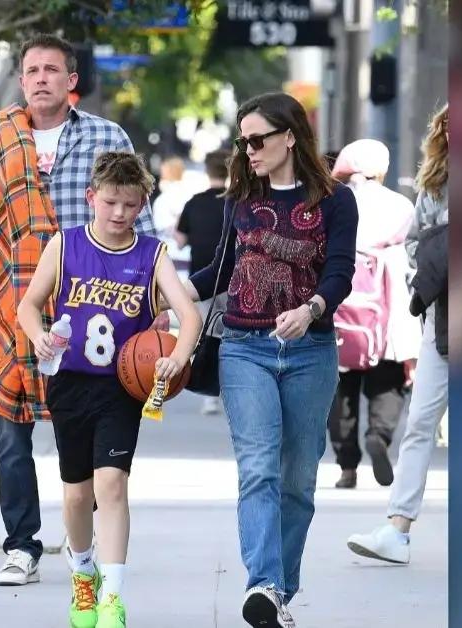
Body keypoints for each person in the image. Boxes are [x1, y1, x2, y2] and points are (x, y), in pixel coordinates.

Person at [0, 33, 156, 587]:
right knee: (10, 430)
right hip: (15, 304)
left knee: (84, 448)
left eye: (51, 70)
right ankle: (21, 546)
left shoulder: (107, 136)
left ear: (70, 79)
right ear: (21, 79)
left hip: (92, 312)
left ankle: (90, 546)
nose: (39, 78)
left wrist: (154, 316)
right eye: (31, 69)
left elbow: (140, 225)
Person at [183, 92, 358, 628]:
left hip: (310, 352)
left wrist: (312, 309)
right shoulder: (241, 195)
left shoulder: (335, 200)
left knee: (297, 480)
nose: (248, 149)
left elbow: (340, 270)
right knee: (258, 470)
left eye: (256, 139)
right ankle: (261, 583)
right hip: (243, 348)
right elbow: (220, 267)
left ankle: (280, 591)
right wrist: (166, 294)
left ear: (289, 137)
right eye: (243, 140)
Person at [17, 151, 201, 628]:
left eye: (130, 205)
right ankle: (83, 574)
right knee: (77, 497)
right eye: (111, 203)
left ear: (143, 204)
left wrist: (176, 359)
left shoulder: (152, 254)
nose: (120, 214)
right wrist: (39, 336)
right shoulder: (65, 245)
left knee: (111, 485)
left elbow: (190, 315)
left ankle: (112, 597)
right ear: (91, 198)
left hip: (122, 388)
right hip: (71, 383)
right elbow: (29, 306)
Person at [346, 104, 449, 564]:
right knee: (421, 423)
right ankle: (397, 529)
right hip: (443, 315)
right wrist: (423, 273)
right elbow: (414, 244)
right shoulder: (434, 185)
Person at [327, 139, 421, 488]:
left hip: (340, 306)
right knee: (388, 381)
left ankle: (346, 466)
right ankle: (378, 436)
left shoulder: (331, 201)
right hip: (389, 307)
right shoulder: (400, 205)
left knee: (341, 386)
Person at [174, 149, 231, 415]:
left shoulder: (194, 202)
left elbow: (180, 239)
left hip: (202, 280)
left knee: (208, 334)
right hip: (233, 279)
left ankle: (211, 391)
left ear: (207, 172)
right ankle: (231, 385)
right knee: (230, 334)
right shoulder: (236, 203)